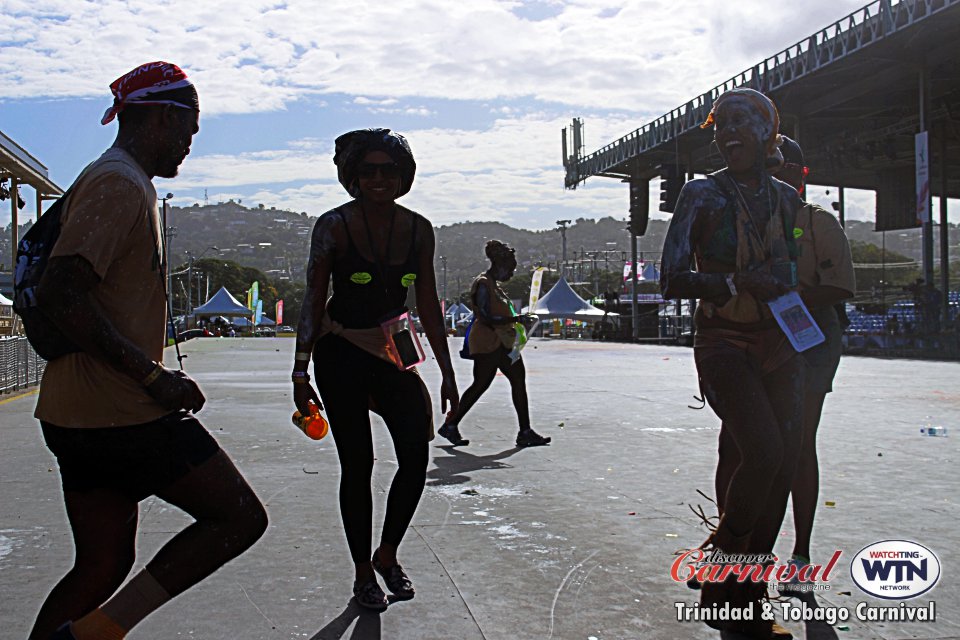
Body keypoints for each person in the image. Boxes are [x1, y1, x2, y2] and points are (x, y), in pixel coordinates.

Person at [31, 62, 267, 640]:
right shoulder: (119, 182)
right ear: (164, 116)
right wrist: (153, 376)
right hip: (120, 411)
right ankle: (94, 635)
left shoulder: (119, 179)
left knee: (102, 563)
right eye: (190, 127)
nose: (190, 142)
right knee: (237, 518)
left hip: (75, 412)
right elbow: (64, 290)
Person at [292, 129, 459, 610]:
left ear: (404, 175)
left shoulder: (418, 229)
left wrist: (447, 371)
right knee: (358, 464)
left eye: (389, 170)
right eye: (369, 170)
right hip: (341, 350)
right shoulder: (334, 226)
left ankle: (387, 554)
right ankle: (362, 572)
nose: (379, 179)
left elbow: (427, 302)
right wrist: (300, 373)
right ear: (353, 177)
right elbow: (312, 298)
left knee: (414, 456)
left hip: (394, 351)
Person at [661, 88, 804, 639]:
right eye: (722, 125)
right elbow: (670, 276)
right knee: (763, 451)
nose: (729, 133)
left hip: (782, 343)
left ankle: (747, 591)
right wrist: (735, 281)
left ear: (769, 132)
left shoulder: (788, 198)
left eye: (744, 123)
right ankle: (721, 561)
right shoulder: (702, 195)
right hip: (722, 342)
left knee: (777, 464)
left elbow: (806, 267)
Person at [769, 137, 855, 593]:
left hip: (810, 337)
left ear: (800, 176)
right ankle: (735, 546)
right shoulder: (750, 223)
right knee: (747, 445)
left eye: (782, 169)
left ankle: (800, 552)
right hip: (759, 337)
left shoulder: (819, 223)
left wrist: (793, 298)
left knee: (800, 443)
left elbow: (840, 287)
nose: (774, 177)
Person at [436, 240, 551, 448]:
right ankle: (451, 425)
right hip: (488, 342)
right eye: (511, 269)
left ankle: (524, 430)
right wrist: (516, 320)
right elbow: (485, 316)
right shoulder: (483, 284)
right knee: (481, 384)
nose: (512, 274)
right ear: (500, 265)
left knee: (515, 380)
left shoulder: (495, 286)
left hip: (503, 342)